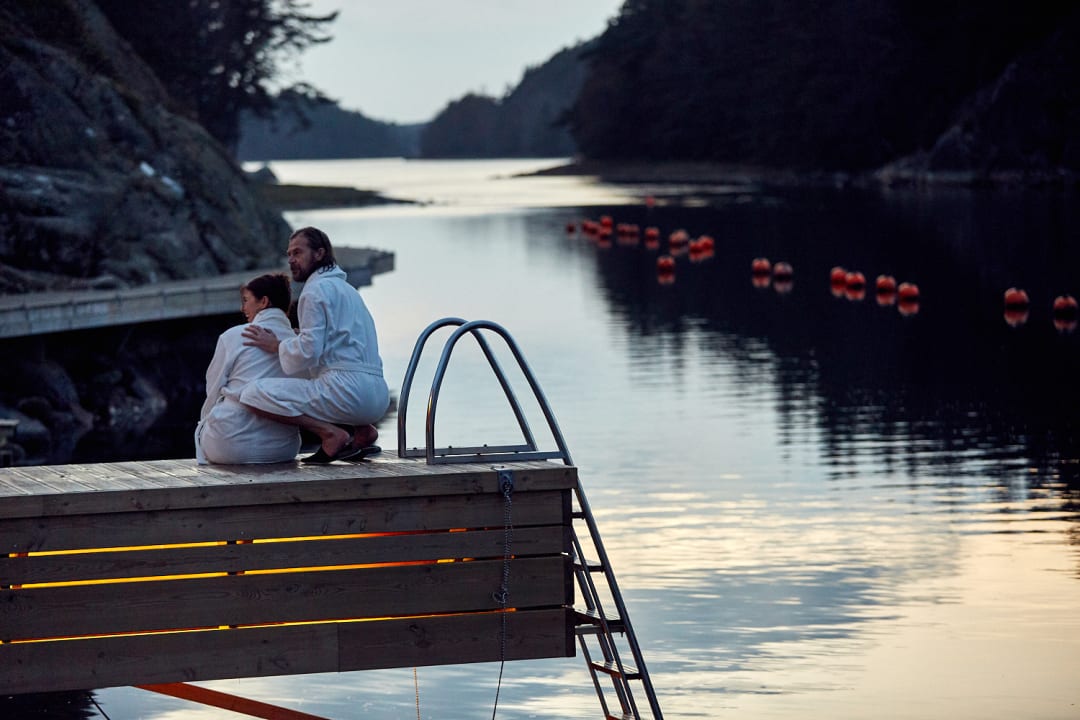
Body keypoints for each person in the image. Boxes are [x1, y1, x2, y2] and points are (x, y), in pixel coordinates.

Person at [240, 226, 389, 463]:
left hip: (347, 393)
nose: (291, 260)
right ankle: (363, 431)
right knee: (321, 371)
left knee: (252, 393)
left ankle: (330, 434)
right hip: (378, 397)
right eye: (289, 254)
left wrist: (276, 345)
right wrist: (298, 337)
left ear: (319, 253)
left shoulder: (313, 291)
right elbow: (339, 342)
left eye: (298, 253)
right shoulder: (349, 291)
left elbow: (309, 351)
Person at [195, 273, 302, 464]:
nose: (242, 308)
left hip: (227, 446)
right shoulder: (299, 345)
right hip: (283, 448)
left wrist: (206, 421)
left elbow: (213, 389)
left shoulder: (233, 336)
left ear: (263, 302)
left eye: (246, 300)